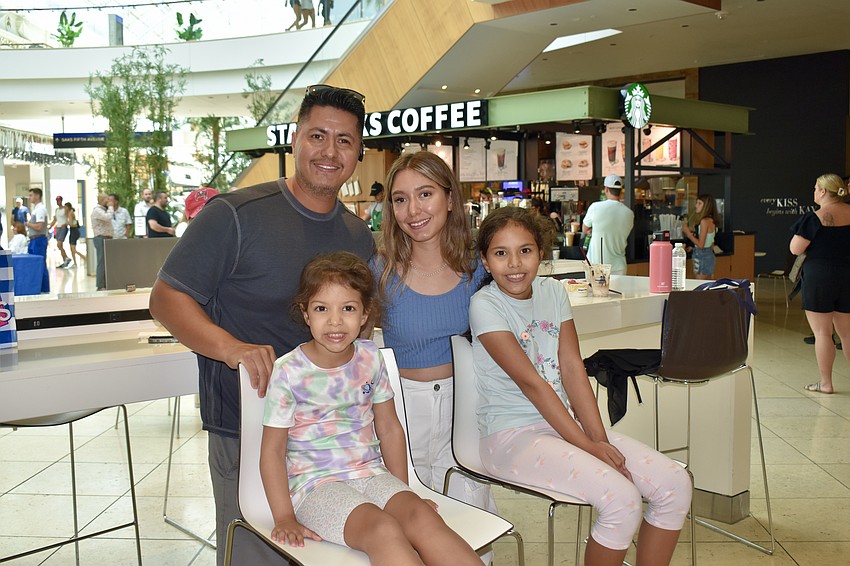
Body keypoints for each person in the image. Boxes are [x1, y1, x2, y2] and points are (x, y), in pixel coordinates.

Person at [149, 84, 374, 566]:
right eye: (317, 136)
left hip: (331, 436)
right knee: (256, 553)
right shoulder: (234, 215)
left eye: (344, 140)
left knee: (330, 555)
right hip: (246, 425)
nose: (329, 151)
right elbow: (166, 299)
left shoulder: (358, 236)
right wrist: (231, 347)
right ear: (295, 139)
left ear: (358, 153)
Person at [471, 206, 692, 566]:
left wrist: (599, 440)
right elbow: (532, 384)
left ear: (541, 253)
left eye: (525, 250)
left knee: (675, 484)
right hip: (509, 437)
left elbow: (573, 369)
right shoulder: (485, 304)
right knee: (621, 499)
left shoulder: (553, 292)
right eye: (500, 253)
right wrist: (588, 445)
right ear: (484, 260)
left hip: (562, 428)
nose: (514, 264)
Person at [261, 252, 481, 565]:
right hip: (316, 486)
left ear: (366, 314)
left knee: (422, 517)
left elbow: (389, 428)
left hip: (372, 474)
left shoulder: (370, 356)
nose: (335, 321)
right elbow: (272, 451)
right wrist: (283, 516)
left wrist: (404, 492)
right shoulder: (289, 371)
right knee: (383, 529)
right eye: (322, 308)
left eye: (348, 308)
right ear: (305, 313)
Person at [369, 151, 497, 561]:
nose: (413, 210)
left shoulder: (479, 268)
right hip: (401, 412)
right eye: (400, 199)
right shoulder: (379, 271)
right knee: (408, 521)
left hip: (466, 407)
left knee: (471, 518)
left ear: (450, 198)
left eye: (425, 194)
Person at [790, 173, 850, 394]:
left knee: (823, 333)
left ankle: (826, 383)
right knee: (847, 333)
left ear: (824, 191)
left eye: (816, 188)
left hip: (820, 277)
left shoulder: (814, 218)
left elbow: (795, 249)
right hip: (847, 275)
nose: (814, 191)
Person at [582, 174, 634, 275]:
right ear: (621, 191)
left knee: (594, 286)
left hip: (597, 265)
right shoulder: (629, 213)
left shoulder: (595, 207)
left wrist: (594, 230)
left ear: (606, 189)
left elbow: (584, 229)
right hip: (619, 266)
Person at [683, 193, 720, 280]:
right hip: (709, 254)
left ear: (706, 206)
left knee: (700, 283)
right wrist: (694, 247)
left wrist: (688, 233)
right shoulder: (711, 221)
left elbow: (701, 245)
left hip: (702, 256)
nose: (696, 206)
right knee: (708, 283)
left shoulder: (704, 221)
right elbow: (710, 243)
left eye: (699, 203)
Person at [25, 188, 50, 293]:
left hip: (39, 240)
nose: (29, 198)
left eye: (31, 195)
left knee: (40, 263)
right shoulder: (35, 209)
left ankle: (44, 288)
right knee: (35, 264)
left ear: (37, 196)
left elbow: (39, 226)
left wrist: (28, 224)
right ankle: (37, 287)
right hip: (33, 240)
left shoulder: (40, 210)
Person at [91, 193, 114, 291]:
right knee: (101, 262)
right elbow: (107, 217)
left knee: (107, 262)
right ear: (102, 200)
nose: (109, 201)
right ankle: (100, 285)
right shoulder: (97, 210)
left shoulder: (104, 210)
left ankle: (107, 283)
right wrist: (111, 207)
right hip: (101, 238)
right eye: (107, 199)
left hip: (107, 238)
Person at [48, 195, 70, 268]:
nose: (58, 202)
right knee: (59, 245)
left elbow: (69, 218)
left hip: (63, 227)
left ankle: (66, 258)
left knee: (59, 244)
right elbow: (55, 220)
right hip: (58, 227)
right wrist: (50, 226)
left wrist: (66, 223)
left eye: (59, 201)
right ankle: (65, 259)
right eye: (57, 201)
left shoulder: (65, 209)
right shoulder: (57, 210)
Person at [64, 202, 84, 267]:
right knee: (72, 249)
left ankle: (84, 258)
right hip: (72, 231)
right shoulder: (69, 213)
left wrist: (66, 223)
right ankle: (75, 263)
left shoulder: (70, 213)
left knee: (73, 249)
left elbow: (72, 224)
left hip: (74, 231)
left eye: (66, 207)